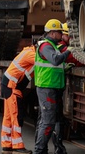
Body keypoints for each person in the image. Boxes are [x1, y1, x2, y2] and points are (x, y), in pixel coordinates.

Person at [32, 19, 71, 154]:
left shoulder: (51, 46)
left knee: (46, 120)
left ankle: (42, 149)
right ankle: (40, 150)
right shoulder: (46, 46)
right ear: (53, 33)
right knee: (47, 122)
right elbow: (55, 60)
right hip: (46, 88)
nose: (61, 35)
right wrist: (68, 52)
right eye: (60, 32)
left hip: (51, 87)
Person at [1, 44, 35, 153]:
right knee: (16, 117)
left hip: (8, 85)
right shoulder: (31, 54)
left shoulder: (28, 52)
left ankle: (6, 144)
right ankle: (17, 146)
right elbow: (44, 62)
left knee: (8, 117)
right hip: (12, 86)